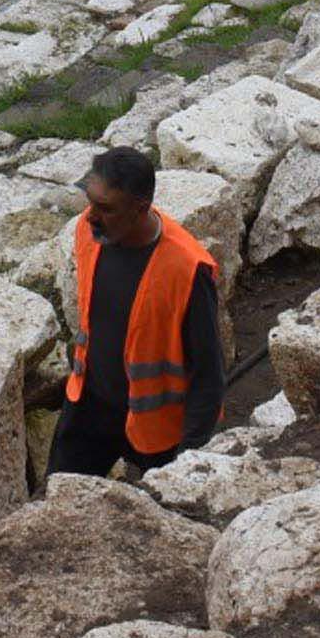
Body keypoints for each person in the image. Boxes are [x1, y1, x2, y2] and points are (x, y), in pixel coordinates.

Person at [49, 146, 224, 481]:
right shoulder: (89, 232)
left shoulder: (186, 269)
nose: (90, 216)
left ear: (139, 208)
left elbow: (208, 374)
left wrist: (189, 458)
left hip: (155, 429)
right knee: (57, 494)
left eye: (105, 208)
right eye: (90, 201)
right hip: (89, 404)